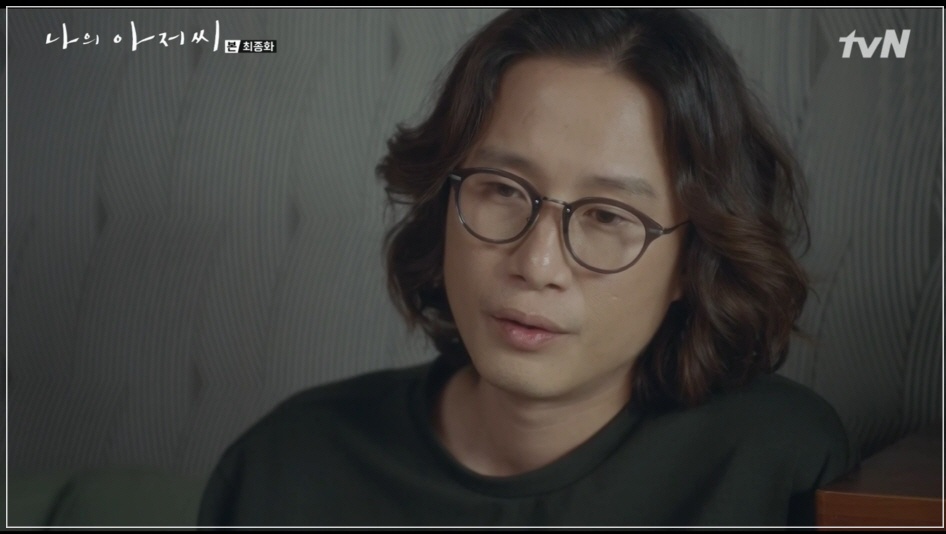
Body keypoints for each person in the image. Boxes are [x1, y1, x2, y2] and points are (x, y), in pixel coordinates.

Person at [198, 8, 851, 526]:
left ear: (692, 260)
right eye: (503, 190)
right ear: (443, 201)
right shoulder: (286, 466)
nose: (537, 265)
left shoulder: (774, 462)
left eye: (607, 216)